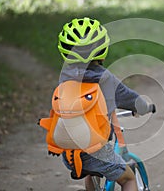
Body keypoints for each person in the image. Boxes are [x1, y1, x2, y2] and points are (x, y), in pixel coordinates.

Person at [57, 17, 156, 191]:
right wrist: (144, 107)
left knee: (91, 171)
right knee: (128, 179)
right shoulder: (105, 79)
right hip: (97, 152)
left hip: (70, 154)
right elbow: (129, 98)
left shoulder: (66, 79)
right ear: (102, 48)